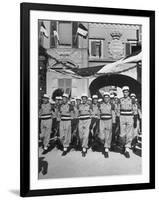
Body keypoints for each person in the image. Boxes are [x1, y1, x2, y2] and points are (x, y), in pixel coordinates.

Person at [118, 86, 135, 158]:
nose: (125, 93)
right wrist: (118, 116)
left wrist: (134, 116)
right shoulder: (120, 100)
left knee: (129, 134)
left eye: (126, 92)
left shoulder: (132, 100)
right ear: (123, 93)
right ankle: (123, 145)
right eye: (124, 92)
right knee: (122, 134)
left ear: (128, 92)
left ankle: (127, 149)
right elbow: (117, 109)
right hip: (122, 117)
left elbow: (134, 109)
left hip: (129, 117)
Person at [98, 92, 115, 158]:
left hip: (109, 121)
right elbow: (99, 113)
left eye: (107, 97)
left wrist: (113, 122)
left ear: (109, 98)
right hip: (102, 121)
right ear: (103, 98)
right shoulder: (100, 104)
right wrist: (98, 120)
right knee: (101, 135)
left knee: (108, 134)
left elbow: (113, 113)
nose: (106, 98)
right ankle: (103, 143)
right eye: (105, 97)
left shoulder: (112, 105)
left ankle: (106, 149)